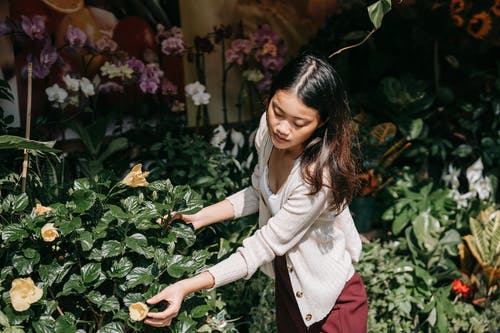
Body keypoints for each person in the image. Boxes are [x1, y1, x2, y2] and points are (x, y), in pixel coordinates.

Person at [145, 52, 368, 332]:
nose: (282, 128)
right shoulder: (267, 132)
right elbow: (260, 191)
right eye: (277, 111)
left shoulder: (315, 180)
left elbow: (262, 246)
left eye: (299, 123)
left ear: (322, 122)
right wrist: (200, 216)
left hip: (332, 302)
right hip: (293, 291)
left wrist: (186, 286)